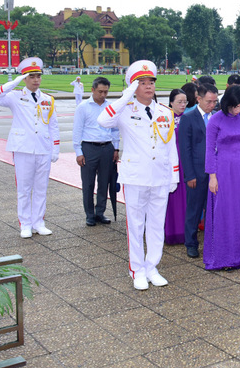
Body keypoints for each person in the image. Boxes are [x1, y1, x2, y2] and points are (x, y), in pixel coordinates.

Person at [98, 60, 179, 290]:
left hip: (160, 177)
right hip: (135, 176)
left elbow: (170, 146)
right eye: (141, 83)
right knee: (135, 225)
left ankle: (152, 266)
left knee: (155, 225)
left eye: (151, 82)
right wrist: (126, 96)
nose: (148, 86)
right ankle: (137, 270)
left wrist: (174, 175)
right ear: (133, 86)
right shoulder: (125, 110)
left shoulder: (165, 112)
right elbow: (103, 121)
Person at [0, 57, 59, 238]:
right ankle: (25, 224)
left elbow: (53, 125)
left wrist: (55, 148)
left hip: (43, 148)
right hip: (23, 148)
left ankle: (39, 222)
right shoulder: (15, 96)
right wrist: (15, 82)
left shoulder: (48, 99)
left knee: (41, 188)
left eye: (38, 76)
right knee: (24, 189)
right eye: (31, 76)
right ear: (25, 78)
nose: (36, 79)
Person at [204, 86, 240, 270]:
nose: (238, 110)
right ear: (226, 103)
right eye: (235, 107)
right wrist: (212, 176)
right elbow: (209, 150)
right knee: (224, 211)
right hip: (222, 169)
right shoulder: (215, 120)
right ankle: (222, 256)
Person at [178, 82, 219, 258]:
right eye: (209, 101)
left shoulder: (217, 117)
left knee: (213, 210)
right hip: (197, 172)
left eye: (215, 101)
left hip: (214, 174)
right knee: (194, 210)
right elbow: (185, 150)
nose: (212, 105)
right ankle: (191, 243)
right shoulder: (188, 118)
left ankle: (212, 242)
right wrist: (190, 175)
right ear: (199, 98)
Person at [72, 77, 119, 227]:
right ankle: (90, 215)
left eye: (106, 92)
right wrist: (78, 152)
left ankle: (100, 212)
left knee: (104, 182)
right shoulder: (83, 107)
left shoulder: (110, 107)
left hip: (107, 147)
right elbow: (77, 130)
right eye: (100, 91)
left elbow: (115, 129)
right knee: (88, 183)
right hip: (89, 148)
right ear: (92, 90)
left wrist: (116, 148)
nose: (103, 95)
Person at [164, 89, 188, 244]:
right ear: (171, 102)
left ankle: (184, 232)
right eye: (179, 102)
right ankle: (170, 232)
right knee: (170, 198)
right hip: (170, 163)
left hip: (185, 163)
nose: (183, 105)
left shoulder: (188, 118)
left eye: (185, 101)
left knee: (185, 199)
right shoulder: (165, 119)